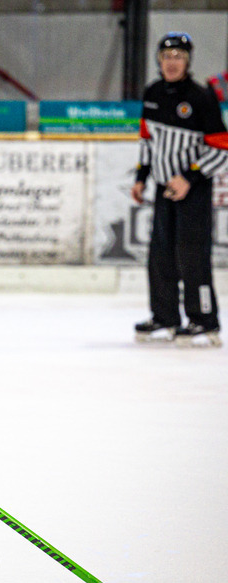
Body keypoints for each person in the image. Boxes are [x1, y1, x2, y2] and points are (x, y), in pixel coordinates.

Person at [132, 32, 228, 347]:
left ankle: (203, 319)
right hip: (163, 187)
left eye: (178, 57)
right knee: (160, 254)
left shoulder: (201, 97)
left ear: (187, 61)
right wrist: (141, 177)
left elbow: (221, 148)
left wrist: (189, 177)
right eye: (166, 57)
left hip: (194, 190)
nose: (171, 63)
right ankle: (165, 316)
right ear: (159, 60)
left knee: (192, 255)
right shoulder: (152, 93)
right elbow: (148, 141)